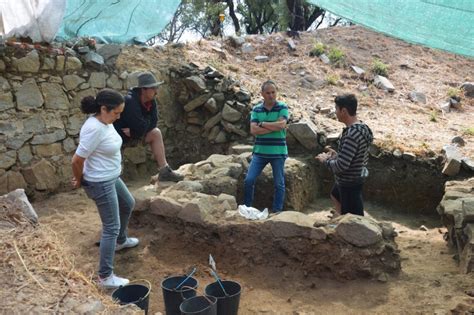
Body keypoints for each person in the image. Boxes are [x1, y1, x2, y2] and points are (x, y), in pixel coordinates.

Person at [71, 89, 138, 288]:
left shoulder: (105, 122)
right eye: (116, 113)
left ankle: (121, 241)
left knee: (128, 203)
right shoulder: (94, 128)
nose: (119, 116)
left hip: (111, 176)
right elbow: (76, 160)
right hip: (100, 182)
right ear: (103, 109)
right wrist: (78, 179)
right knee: (111, 227)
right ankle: (105, 277)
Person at [113, 72, 183, 183]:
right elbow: (140, 126)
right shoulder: (130, 101)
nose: (156, 91)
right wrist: (141, 126)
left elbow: (153, 122)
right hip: (118, 138)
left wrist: (136, 129)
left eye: (156, 87)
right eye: (153, 88)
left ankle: (164, 171)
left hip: (132, 134)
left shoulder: (152, 101)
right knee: (115, 170)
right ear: (143, 89)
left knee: (156, 132)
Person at [315, 94, 373, 216]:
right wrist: (337, 155)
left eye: (336, 109)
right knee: (335, 194)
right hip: (354, 179)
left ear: (344, 111)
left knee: (353, 222)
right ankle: (339, 217)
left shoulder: (352, 135)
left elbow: (341, 166)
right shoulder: (362, 128)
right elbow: (355, 156)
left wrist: (325, 160)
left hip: (349, 183)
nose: (335, 112)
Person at [244, 80, 289, 213]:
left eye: (273, 92)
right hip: (260, 152)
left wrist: (262, 124)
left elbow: (282, 125)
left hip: (278, 152)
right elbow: (253, 130)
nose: (271, 95)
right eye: (268, 93)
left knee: (279, 184)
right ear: (262, 94)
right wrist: (274, 126)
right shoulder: (257, 109)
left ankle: (277, 211)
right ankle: (247, 208)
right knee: (248, 180)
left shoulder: (282, 107)